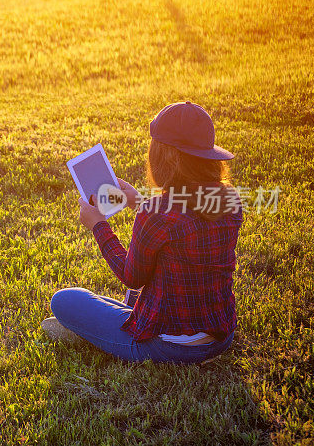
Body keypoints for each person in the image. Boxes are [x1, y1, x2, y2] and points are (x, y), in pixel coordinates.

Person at [42, 101, 243, 364]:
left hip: (168, 346)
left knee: (65, 301)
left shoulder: (157, 212)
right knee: (129, 297)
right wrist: (138, 201)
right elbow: (184, 220)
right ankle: (98, 327)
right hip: (220, 336)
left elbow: (132, 277)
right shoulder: (230, 198)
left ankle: (92, 332)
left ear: (163, 157)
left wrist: (98, 226)